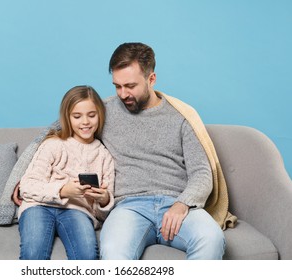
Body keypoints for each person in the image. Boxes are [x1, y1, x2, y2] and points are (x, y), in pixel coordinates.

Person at [12, 43, 234, 260]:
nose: (123, 94)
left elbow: (202, 174)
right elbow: (55, 132)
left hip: (176, 203)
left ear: (151, 79)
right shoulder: (103, 110)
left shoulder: (182, 117)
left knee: (211, 239)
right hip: (129, 207)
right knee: (113, 251)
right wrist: (18, 182)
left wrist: (182, 204)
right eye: (117, 86)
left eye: (130, 86)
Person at [17, 85, 114, 260]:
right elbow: (27, 186)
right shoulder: (54, 144)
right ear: (67, 118)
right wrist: (62, 191)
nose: (85, 122)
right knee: (33, 252)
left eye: (91, 115)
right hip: (38, 206)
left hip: (78, 210)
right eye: (77, 116)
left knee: (87, 256)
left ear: (100, 115)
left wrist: (104, 199)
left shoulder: (104, 156)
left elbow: (103, 213)